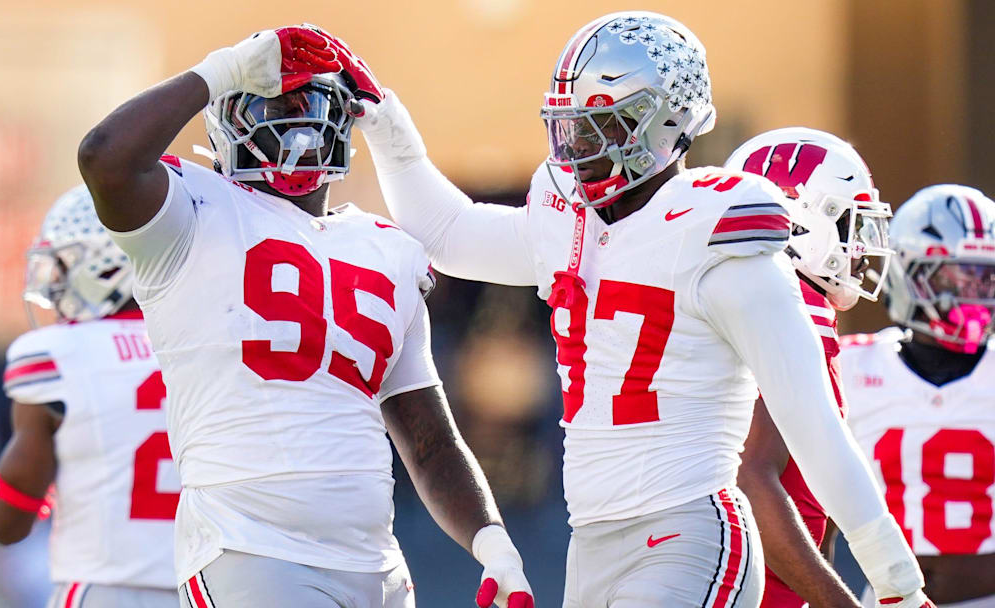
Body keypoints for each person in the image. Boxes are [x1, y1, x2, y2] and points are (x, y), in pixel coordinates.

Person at [342, 11, 934, 608]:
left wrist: (896, 582)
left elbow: (817, 432)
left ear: (668, 119)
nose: (580, 149)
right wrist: (386, 123)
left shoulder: (721, 235)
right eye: (571, 128)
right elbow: (449, 232)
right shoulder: (570, 223)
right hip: (593, 537)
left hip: (691, 526)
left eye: (604, 127)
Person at [76, 26, 533, 608]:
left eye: (308, 104)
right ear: (225, 122)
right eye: (267, 103)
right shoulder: (188, 216)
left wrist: (493, 544)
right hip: (252, 549)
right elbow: (105, 157)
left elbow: (429, 442)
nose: (292, 123)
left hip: (377, 566)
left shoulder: (385, 248)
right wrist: (224, 68)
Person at [0, 186, 180, 607]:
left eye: (65, 265)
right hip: (209, 588)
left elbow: (9, 521)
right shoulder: (211, 344)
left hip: (101, 588)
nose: (56, 283)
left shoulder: (59, 355)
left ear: (107, 265)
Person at [724, 128, 894, 608]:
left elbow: (812, 500)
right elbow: (751, 478)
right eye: (847, 225)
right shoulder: (790, 310)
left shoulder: (769, 303)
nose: (860, 246)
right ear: (800, 227)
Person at [839, 184, 995, 607]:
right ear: (909, 272)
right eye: (959, 273)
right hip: (884, 598)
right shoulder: (851, 366)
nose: (975, 291)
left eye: (986, 276)